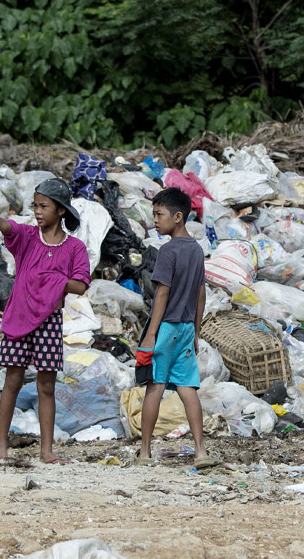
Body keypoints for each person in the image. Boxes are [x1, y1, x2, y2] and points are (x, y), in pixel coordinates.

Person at [0, 178, 89, 464]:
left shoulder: (74, 248)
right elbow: (6, 226)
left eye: (44, 206)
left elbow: (80, 285)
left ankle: (46, 451)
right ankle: (1, 447)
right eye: (35, 206)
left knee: (46, 387)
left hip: (49, 322)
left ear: (62, 211)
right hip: (19, 317)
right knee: (12, 381)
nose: (37, 212)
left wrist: (54, 280)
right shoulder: (28, 237)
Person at [133, 188, 213, 470]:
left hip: (165, 328)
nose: (155, 220)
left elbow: (162, 295)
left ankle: (144, 452)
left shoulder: (167, 251)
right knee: (188, 387)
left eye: (159, 214)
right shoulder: (196, 250)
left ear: (178, 217)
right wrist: (196, 330)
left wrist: (151, 334)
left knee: (155, 387)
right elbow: (201, 294)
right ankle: (201, 450)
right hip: (187, 328)